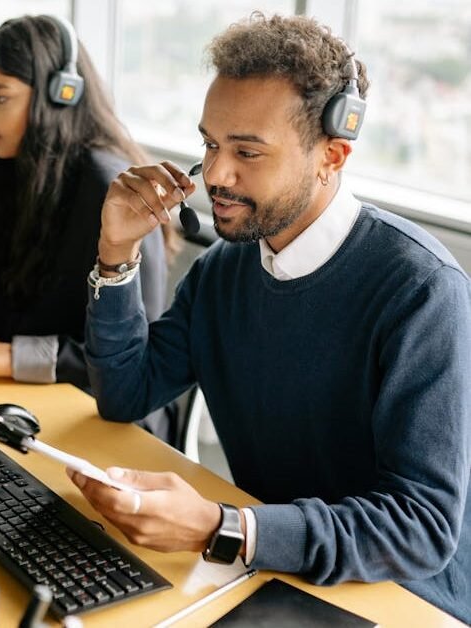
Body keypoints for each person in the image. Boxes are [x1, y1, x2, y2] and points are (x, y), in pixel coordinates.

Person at [68, 12, 471, 624]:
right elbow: (126, 393)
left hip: (404, 600)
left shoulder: (421, 291)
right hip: (278, 574)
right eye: (210, 144)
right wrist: (117, 252)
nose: (216, 176)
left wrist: (228, 527)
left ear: (332, 155)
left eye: (247, 152)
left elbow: (420, 529)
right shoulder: (224, 273)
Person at [0, 15, 177, 439]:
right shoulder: (7, 168)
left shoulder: (110, 190)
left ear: (61, 95)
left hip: (104, 421)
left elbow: (135, 359)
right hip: (20, 403)